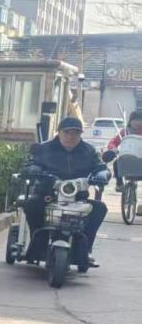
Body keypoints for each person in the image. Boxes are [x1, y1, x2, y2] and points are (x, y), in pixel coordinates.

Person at [24, 116, 109, 266]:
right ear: (59, 132)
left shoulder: (89, 151)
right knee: (32, 204)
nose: (71, 136)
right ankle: (38, 244)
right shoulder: (43, 148)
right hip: (47, 194)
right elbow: (31, 163)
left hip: (78, 198)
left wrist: (102, 174)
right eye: (67, 132)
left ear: (80, 134)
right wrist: (35, 169)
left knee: (99, 208)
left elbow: (101, 167)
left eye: (76, 133)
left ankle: (85, 250)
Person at [104, 109, 142, 190]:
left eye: (140, 120)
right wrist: (113, 149)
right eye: (136, 120)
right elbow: (113, 142)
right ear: (130, 121)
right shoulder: (125, 132)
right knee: (117, 163)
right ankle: (119, 183)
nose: (138, 123)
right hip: (127, 158)